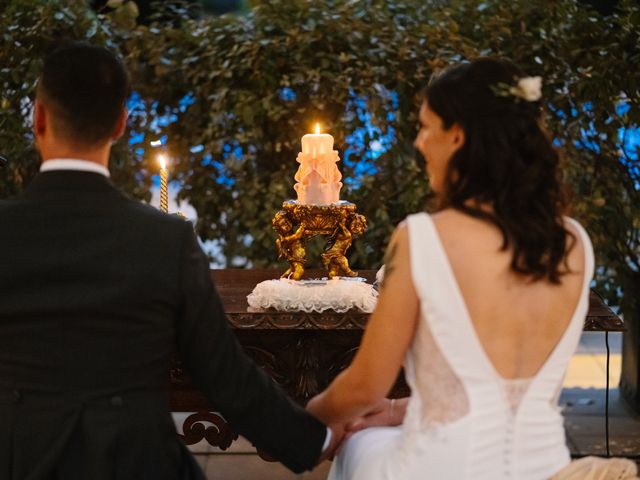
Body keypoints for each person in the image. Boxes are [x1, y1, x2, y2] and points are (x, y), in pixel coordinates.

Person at [0, 42, 338, 480]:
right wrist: (321, 440)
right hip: (137, 464)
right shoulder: (164, 239)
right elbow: (227, 377)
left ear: (38, 119)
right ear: (120, 124)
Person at [306, 58, 617, 479]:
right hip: (544, 468)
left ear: (457, 136)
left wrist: (314, 413)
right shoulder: (574, 241)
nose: (419, 143)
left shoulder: (421, 239)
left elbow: (364, 386)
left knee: (357, 445)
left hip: (441, 469)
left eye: (425, 126)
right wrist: (398, 410)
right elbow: (500, 394)